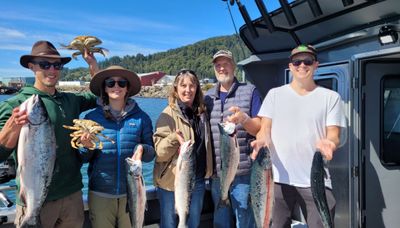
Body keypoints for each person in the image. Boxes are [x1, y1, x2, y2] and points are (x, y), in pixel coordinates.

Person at [0, 40, 99, 228]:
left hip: (72, 195)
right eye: (44, 64)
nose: (52, 70)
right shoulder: (16, 105)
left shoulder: (70, 100)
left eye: (57, 65)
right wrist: (11, 127)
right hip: (34, 198)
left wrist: (93, 66)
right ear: (31, 67)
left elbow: (98, 95)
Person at [251, 44, 346, 228]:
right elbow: (265, 129)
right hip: (278, 179)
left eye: (308, 61)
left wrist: (330, 143)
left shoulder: (330, 97)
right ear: (291, 66)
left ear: (316, 65)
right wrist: (262, 139)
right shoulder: (274, 95)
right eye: (297, 61)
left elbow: (334, 134)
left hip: (316, 179)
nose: (302, 65)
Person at [78, 65, 155, 228]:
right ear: (104, 88)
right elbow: (83, 158)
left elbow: (150, 154)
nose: (116, 87)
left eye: (122, 83)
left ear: (128, 88)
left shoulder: (142, 118)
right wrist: (86, 146)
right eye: (110, 83)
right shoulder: (91, 118)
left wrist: (142, 149)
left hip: (132, 194)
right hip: (100, 193)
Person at [204, 50, 262, 228]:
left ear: (234, 65)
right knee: (220, 220)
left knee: (244, 220)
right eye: (218, 65)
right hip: (216, 175)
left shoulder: (250, 90)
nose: (222, 68)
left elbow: (259, 127)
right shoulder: (207, 97)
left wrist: (244, 119)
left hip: (243, 173)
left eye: (226, 63)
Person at [153, 69, 213, 228]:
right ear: (176, 89)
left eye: (192, 86)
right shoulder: (167, 115)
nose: (188, 90)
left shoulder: (202, 114)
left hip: (198, 180)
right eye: (183, 85)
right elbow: (159, 153)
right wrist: (174, 138)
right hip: (171, 183)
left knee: (193, 224)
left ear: (197, 88)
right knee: (170, 225)